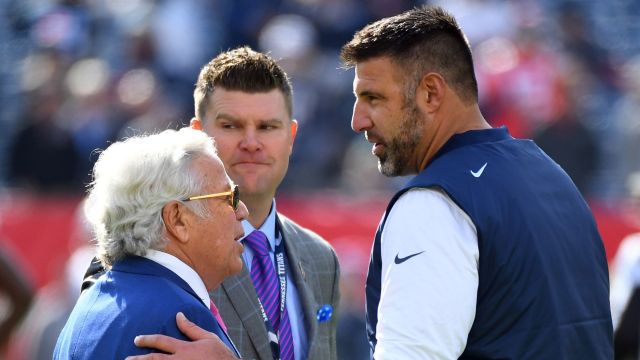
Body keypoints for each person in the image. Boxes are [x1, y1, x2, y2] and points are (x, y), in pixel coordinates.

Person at [339, 6, 613, 359]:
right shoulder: (555, 177)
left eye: (373, 98)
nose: (357, 120)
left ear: (431, 93)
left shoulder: (434, 204)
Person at [91, 47, 341, 360]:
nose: (251, 142)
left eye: (267, 127)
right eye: (231, 125)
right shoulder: (152, 244)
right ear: (198, 135)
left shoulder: (321, 258)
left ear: (290, 136)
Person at [54, 128, 248, 359]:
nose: (243, 211)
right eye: (230, 197)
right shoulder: (183, 319)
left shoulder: (86, 308)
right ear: (178, 219)